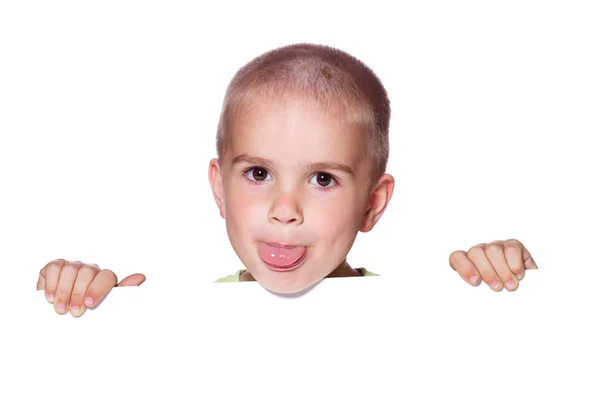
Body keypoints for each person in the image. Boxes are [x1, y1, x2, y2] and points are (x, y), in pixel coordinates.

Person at [35, 43, 538, 317]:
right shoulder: (189, 321)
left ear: (372, 203)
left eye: (322, 178)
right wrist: (92, 307)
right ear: (219, 189)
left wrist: (496, 287)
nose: (285, 208)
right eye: (258, 173)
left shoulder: (415, 315)